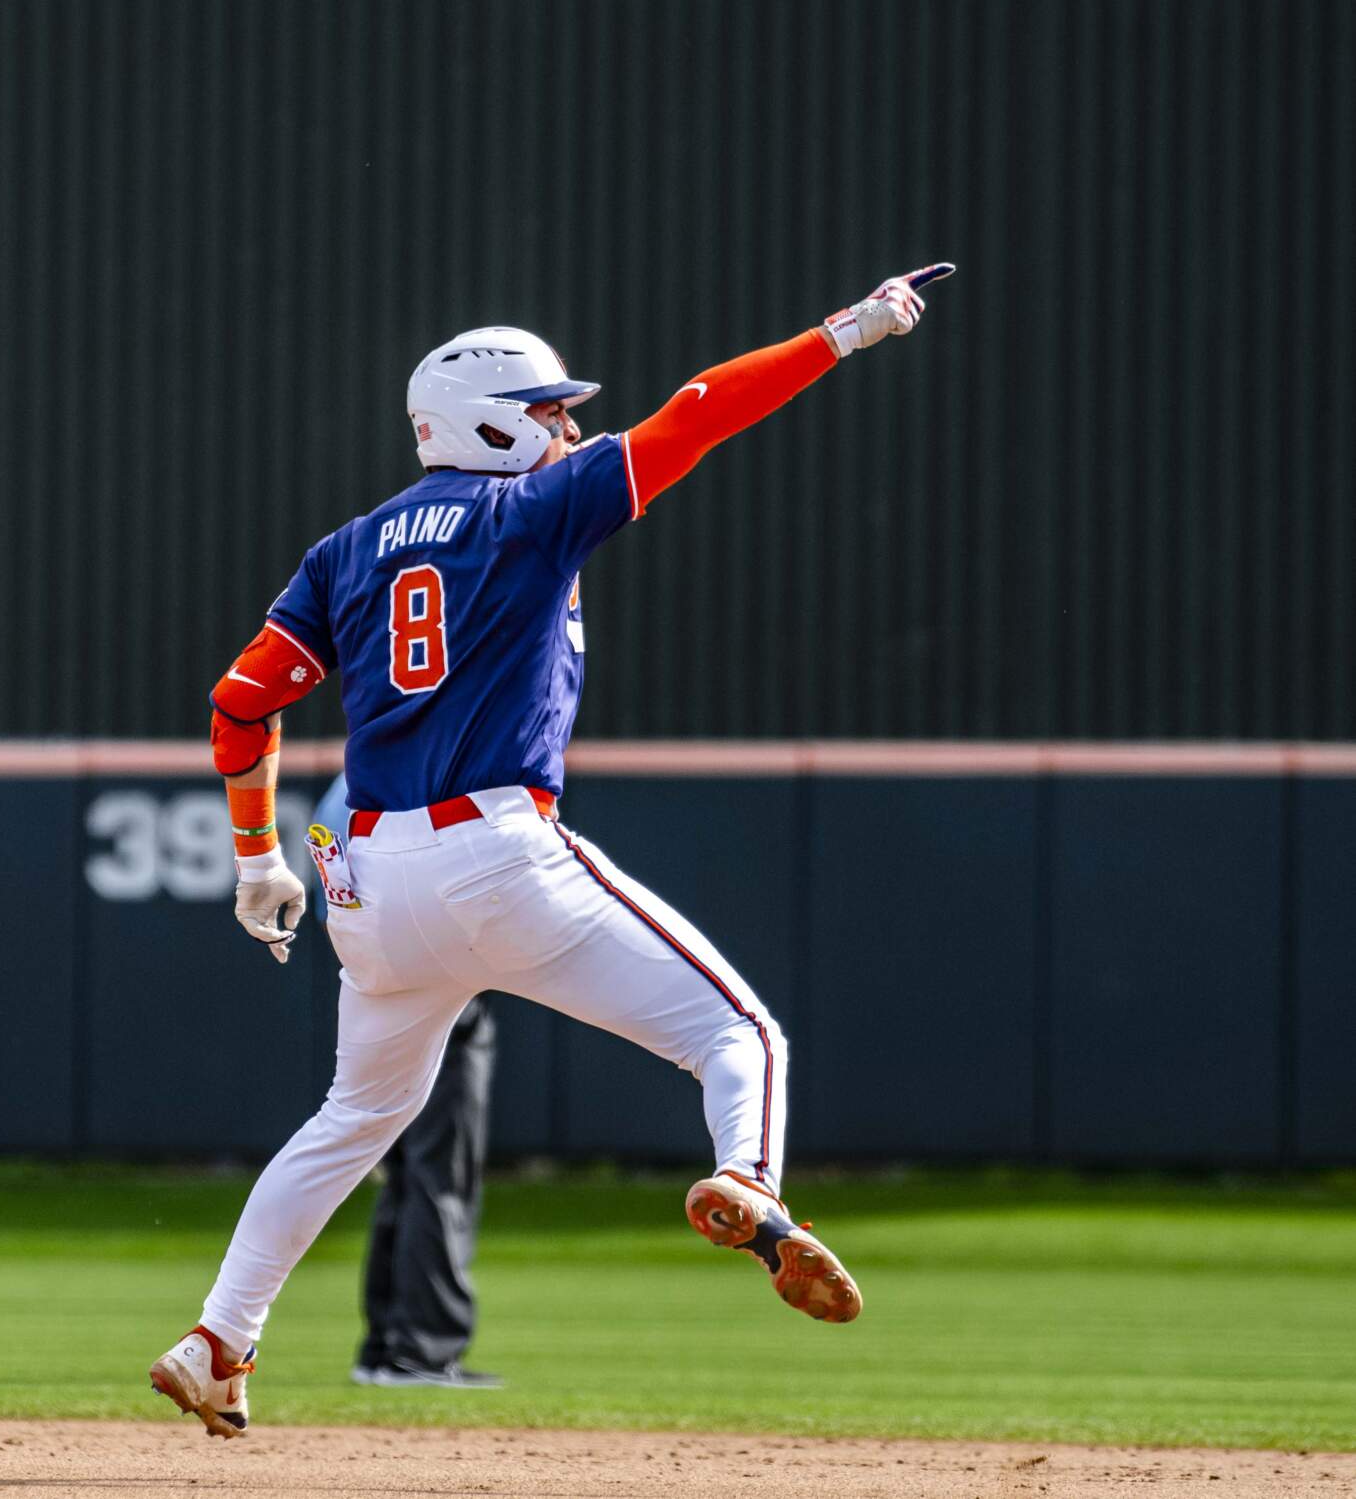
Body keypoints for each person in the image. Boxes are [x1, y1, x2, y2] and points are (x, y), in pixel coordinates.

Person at [148, 266, 952, 1437]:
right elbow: (697, 411)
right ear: (487, 422)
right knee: (738, 1033)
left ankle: (217, 1338)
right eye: (549, 409)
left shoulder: (344, 549)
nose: (568, 428)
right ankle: (749, 1179)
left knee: (349, 1119)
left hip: (364, 882)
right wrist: (844, 331)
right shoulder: (534, 507)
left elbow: (240, 701)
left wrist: (253, 857)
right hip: (493, 851)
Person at [311, 773, 502, 1390]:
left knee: (407, 1172)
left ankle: (388, 1347)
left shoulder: (352, 778)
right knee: (440, 1171)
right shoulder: (431, 766)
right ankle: (420, 1349)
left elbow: (331, 901)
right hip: (435, 974)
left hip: (379, 974)